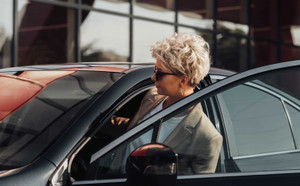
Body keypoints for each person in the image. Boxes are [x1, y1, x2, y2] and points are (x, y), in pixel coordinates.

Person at [112, 32, 222, 175]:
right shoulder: (151, 97)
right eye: (154, 70)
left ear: (183, 80)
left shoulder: (206, 137)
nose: (153, 77)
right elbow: (133, 127)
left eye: (159, 73)